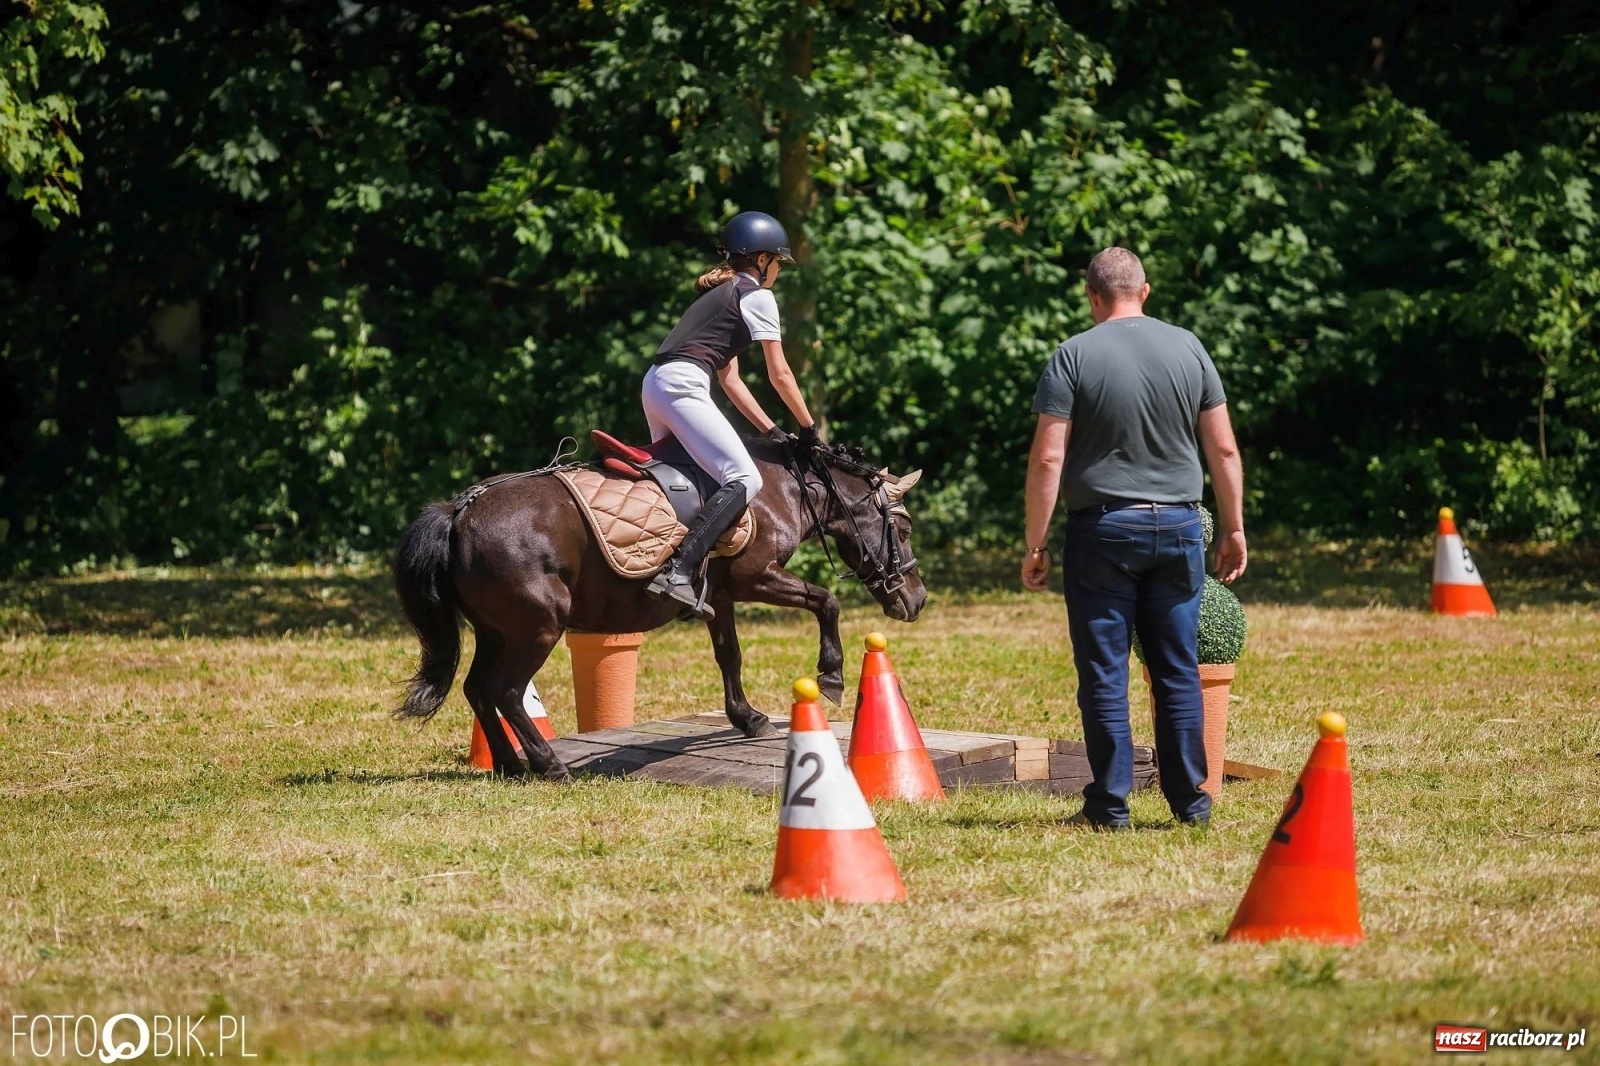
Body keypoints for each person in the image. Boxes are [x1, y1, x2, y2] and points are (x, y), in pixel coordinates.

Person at [1021, 247, 1247, 831]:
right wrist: (1233, 526)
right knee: (1176, 668)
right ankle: (1191, 804)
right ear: (1145, 292)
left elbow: (1049, 456)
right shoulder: (1189, 347)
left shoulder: (1072, 355)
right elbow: (1222, 448)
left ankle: (1111, 805)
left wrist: (1036, 542)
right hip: (1177, 527)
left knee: (1104, 673)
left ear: (1093, 297)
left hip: (1103, 531)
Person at [641, 210, 818, 619]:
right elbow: (781, 373)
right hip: (682, 384)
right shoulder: (757, 295)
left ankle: (682, 571)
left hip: (656, 383)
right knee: (746, 477)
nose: (777, 271)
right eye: (776, 262)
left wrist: (773, 431)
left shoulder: (717, 297)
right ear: (761, 259)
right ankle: (678, 573)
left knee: (688, 479)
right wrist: (808, 428)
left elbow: (733, 383)